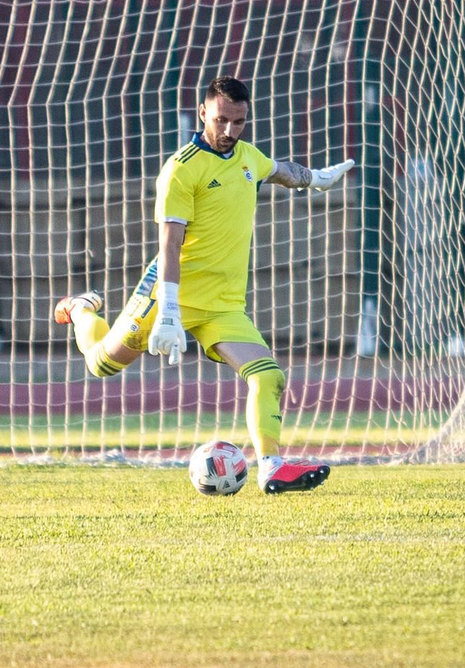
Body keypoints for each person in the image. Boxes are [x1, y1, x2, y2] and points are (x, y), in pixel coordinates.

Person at [54, 75, 356, 494]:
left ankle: (271, 467)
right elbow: (170, 246)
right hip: (166, 296)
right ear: (202, 114)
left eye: (239, 122)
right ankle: (82, 309)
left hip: (224, 306)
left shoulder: (247, 156)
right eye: (221, 120)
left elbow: (278, 171)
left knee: (267, 376)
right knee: (101, 364)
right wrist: (170, 310)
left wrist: (315, 178)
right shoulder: (181, 169)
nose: (230, 131)